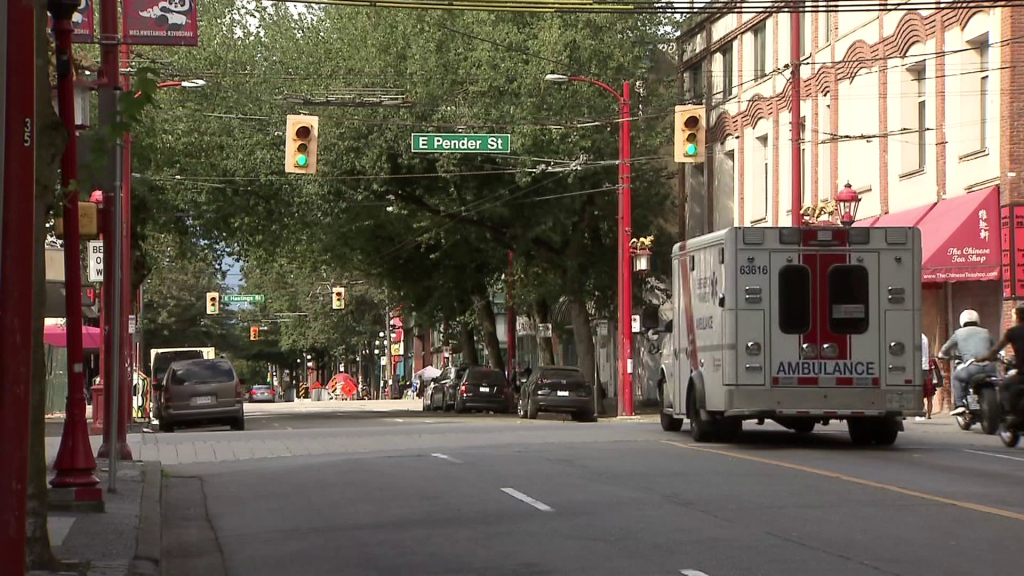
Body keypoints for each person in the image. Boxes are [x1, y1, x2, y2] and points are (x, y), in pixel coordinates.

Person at [938, 309, 996, 415]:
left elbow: (944, 350)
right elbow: (995, 347)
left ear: (962, 320)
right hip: (989, 366)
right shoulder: (985, 332)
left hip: (971, 367)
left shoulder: (958, 333)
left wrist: (943, 356)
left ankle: (959, 404)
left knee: (956, 377)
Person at [981, 303, 1024, 424]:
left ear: (1018, 316)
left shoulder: (1012, 332)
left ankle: (1011, 416)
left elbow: (995, 350)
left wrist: (986, 358)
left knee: (1004, 386)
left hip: (1022, 374)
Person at [916, 333, 935, 421]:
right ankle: (928, 414)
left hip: (921, 368)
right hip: (926, 370)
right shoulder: (924, 337)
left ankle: (922, 412)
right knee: (928, 396)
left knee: (921, 393)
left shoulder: (919, 337)